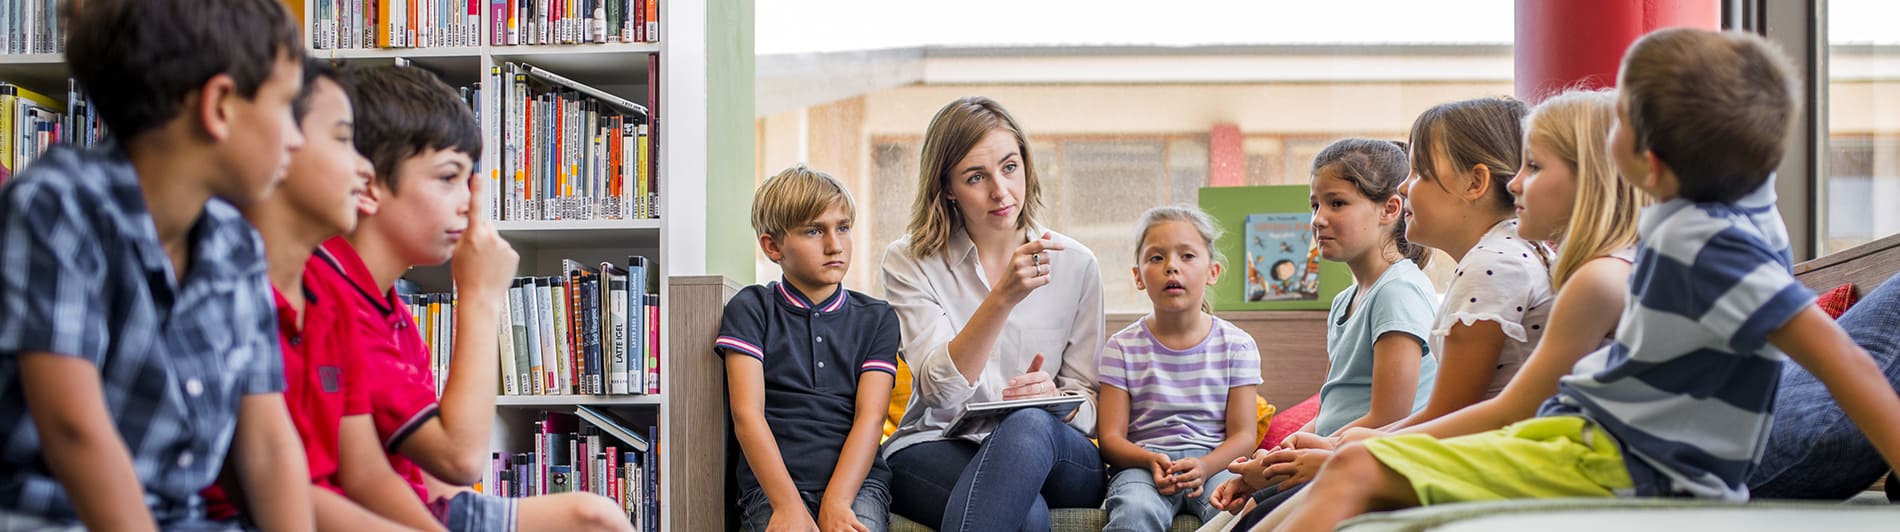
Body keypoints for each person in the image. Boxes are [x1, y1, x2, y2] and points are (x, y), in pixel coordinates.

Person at [1265, 28, 1900, 531]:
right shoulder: (1729, 215)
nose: (1518, 180)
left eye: (1619, 117)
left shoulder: (1702, 242)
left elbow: (1844, 361)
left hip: (1621, 458)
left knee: (1353, 468)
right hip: (1590, 437)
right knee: (1351, 461)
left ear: (1644, 157)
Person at [1203, 89, 1651, 532]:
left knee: (1342, 470)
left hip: (1520, 449)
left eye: (1418, 172)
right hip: (1508, 442)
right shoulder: (1507, 261)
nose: (1515, 183)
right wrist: (1338, 443)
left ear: (1474, 184)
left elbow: (1475, 409)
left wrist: (1347, 447)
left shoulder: (1493, 265)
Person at [0, 0, 313, 529]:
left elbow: (267, 445)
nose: (296, 138)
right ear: (219, 106)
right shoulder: (56, 207)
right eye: (286, 107)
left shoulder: (236, 244)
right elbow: (74, 430)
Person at [309, 65, 628, 531]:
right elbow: (459, 458)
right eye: (447, 178)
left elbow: (430, 477)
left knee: (595, 516)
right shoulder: (333, 294)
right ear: (369, 183)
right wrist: (480, 295)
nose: (467, 205)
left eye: (468, 182)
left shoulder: (387, 306)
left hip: (417, 503)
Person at [203, 58, 446, 531]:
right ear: (281, 147)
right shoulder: (231, 286)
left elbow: (367, 471)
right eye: (342, 140)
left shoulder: (330, 299)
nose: (364, 170)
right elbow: (271, 479)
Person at [879, 96, 1107, 532]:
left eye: (1009, 167)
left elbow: (1093, 403)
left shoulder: (1076, 264)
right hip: (938, 441)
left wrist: (1055, 399)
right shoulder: (909, 261)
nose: (1001, 191)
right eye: (976, 177)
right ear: (946, 187)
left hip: (1054, 451)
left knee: (1027, 424)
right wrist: (1001, 298)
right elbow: (938, 394)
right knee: (1025, 518)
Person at [718, 164, 899, 532]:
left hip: (857, 486)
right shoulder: (752, 308)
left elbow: (871, 417)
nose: (835, 245)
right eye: (815, 231)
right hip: (772, 489)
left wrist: (837, 502)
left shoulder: (878, 317)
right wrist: (786, 507)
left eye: (843, 228)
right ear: (773, 246)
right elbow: (747, 416)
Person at [1098, 206, 1261, 531]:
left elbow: (1244, 435)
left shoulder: (1238, 345)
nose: (1171, 267)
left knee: (1239, 513)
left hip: (1215, 465)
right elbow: (1110, 438)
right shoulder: (1121, 347)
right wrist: (1148, 460)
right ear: (1137, 276)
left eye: (1187, 256)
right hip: (1143, 469)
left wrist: (1204, 466)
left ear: (1212, 271)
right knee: (1134, 512)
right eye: (1156, 258)